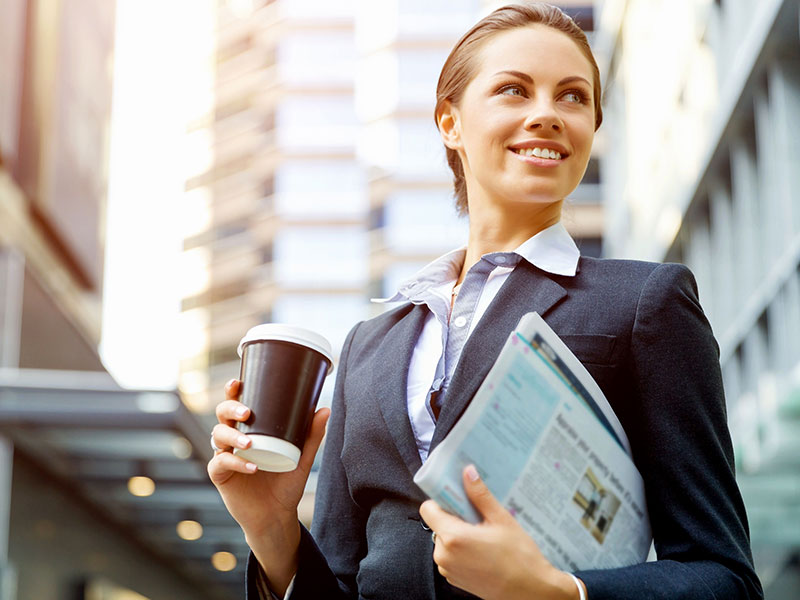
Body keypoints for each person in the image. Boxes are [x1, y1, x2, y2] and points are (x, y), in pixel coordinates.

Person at [208, 3, 764, 599]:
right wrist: (271, 530)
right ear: (450, 122)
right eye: (513, 90)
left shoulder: (644, 304)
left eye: (573, 97)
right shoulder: (370, 345)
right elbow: (345, 584)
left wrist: (556, 591)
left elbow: (724, 578)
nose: (547, 114)